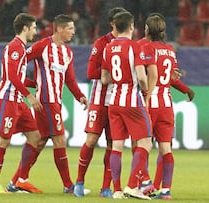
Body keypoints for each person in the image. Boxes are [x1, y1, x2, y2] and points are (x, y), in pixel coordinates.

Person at [6, 14, 89, 194]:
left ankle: (16, 181)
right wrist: (8, 83)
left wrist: (80, 96)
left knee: (40, 141)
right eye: (70, 28)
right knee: (60, 140)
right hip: (45, 101)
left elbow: (70, 79)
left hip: (55, 102)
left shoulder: (68, 52)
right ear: (59, 29)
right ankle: (68, 186)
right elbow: (18, 63)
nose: (73, 32)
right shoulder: (42, 46)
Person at [137, 12, 194, 197]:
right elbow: (169, 78)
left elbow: (147, 76)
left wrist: (145, 96)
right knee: (166, 148)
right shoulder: (170, 50)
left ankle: (143, 184)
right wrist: (185, 88)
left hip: (150, 103)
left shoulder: (146, 48)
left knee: (143, 145)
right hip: (167, 105)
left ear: (147, 29)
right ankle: (166, 189)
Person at [101, 11, 155, 200]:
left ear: (116, 27)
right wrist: (146, 90)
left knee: (117, 145)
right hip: (132, 100)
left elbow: (104, 78)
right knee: (146, 142)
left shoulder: (108, 48)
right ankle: (132, 186)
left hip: (114, 101)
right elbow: (141, 76)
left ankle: (116, 190)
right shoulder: (134, 47)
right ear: (131, 26)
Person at [73, 6, 127, 198]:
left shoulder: (129, 44)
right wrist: (114, 74)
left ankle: (106, 188)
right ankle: (79, 182)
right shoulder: (101, 43)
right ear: (113, 23)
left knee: (113, 145)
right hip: (99, 100)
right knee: (92, 139)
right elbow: (90, 72)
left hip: (118, 101)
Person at [0, 13, 43, 193]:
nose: (36, 31)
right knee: (3, 140)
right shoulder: (15, 47)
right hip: (8, 100)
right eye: (34, 27)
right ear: (25, 28)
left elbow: (16, 77)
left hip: (17, 101)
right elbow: (11, 76)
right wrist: (30, 95)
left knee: (36, 137)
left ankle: (17, 181)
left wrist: (38, 84)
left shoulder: (21, 47)